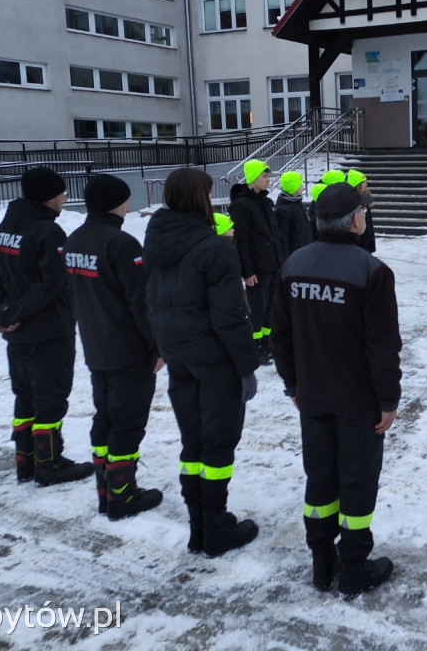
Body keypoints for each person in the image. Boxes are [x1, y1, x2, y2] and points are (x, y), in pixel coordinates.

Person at [270, 182, 403, 597]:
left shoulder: (294, 264)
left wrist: (293, 383)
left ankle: (321, 563)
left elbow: (281, 336)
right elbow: (382, 346)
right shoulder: (371, 271)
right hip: (358, 402)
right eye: (364, 212)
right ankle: (354, 568)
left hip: (312, 397)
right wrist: (388, 400)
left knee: (321, 480)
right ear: (356, 221)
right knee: (357, 481)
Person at [143, 167, 261, 557]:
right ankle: (213, 530)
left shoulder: (156, 242)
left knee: (193, 442)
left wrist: (159, 346)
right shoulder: (215, 249)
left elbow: (151, 301)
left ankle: (201, 526)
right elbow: (230, 317)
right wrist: (246, 367)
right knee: (218, 445)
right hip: (214, 361)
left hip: (179, 357)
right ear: (200, 199)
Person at [0, 167, 93, 487]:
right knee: (51, 395)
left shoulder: (4, 228)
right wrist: (12, 313)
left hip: (18, 331)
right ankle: (48, 464)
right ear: (49, 197)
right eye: (61, 193)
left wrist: (6, 312)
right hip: (49, 329)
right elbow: (52, 284)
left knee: (25, 394)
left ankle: (26, 461)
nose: (64, 198)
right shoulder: (48, 232)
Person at [64, 174, 164, 519]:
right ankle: (122, 495)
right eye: (124, 201)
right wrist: (159, 345)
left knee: (105, 417)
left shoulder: (75, 240)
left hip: (96, 346)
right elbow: (141, 302)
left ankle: (106, 490)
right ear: (112, 205)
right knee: (127, 422)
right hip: (128, 350)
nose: (128, 207)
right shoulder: (121, 244)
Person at [229, 159, 285, 366]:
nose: (268, 180)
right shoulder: (241, 206)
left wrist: (282, 262)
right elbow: (241, 241)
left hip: (274, 264)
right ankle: (254, 345)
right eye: (264, 176)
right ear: (253, 177)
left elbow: (276, 236)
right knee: (257, 308)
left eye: (268, 176)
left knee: (271, 306)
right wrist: (248, 270)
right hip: (257, 268)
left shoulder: (267, 203)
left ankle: (268, 342)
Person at [274, 170, 313, 257]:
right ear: (293, 187)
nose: (302, 187)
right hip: (294, 256)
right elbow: (282, 240)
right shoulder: (283, 210)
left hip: (304, 253)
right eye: (300, 184)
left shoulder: (298, 204)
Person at [348, 169, 377, 254]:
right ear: (357, 185)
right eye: (363, 182)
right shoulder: (354, 201)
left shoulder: (365, 199)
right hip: (359, 242)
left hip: (366, 241)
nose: (366, 184)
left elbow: (369, 222)